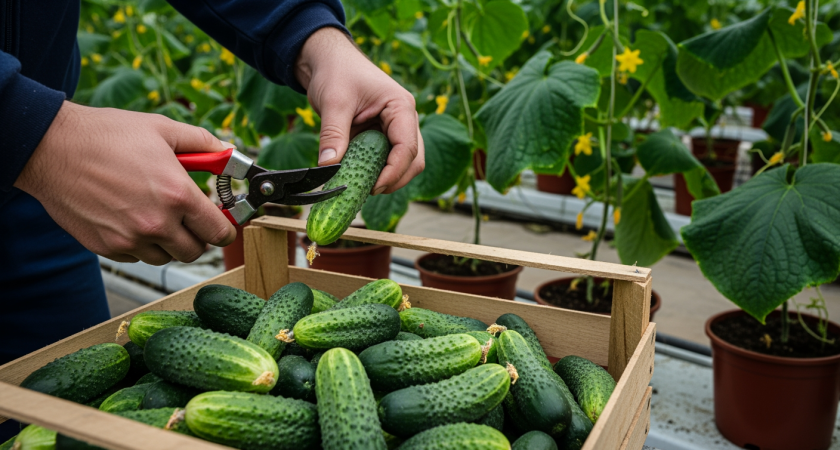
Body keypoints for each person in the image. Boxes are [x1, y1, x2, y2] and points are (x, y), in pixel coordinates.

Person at [0, 0, 423, 437]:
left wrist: (314, 38)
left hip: (46, 216)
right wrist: (33, 134)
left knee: (69, 424)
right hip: (56, 156)